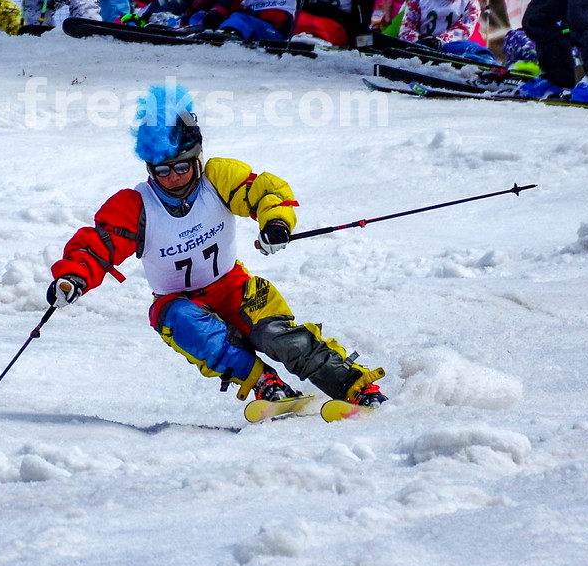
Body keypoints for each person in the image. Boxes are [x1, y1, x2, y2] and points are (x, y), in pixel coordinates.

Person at [45, 83, 387, 411]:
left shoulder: (218, 178)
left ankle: (355, 386)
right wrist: (73, 278)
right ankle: (264, 383)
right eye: (162, 170)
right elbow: (95, 247)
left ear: (197, 156)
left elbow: (266, 192)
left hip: (234, 287)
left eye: (182, 166)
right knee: (195, 329)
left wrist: (276, 223)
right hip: (177, 302)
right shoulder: (135, 206)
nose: (174, 178)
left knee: (278, 336)